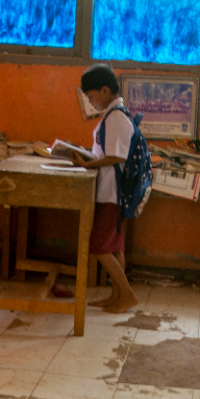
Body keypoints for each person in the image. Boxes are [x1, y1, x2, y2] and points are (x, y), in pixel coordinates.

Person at [70, 64, 140, 314]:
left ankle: (128, 294)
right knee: (113, 247)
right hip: (108, 190)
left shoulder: (117, 117)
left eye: (90, 96)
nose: (89, 101)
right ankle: (117, 295)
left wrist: (86, 162)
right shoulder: (112, 115)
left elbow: (116, 157)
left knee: (99, 247)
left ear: (104, 89)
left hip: (112, 192)